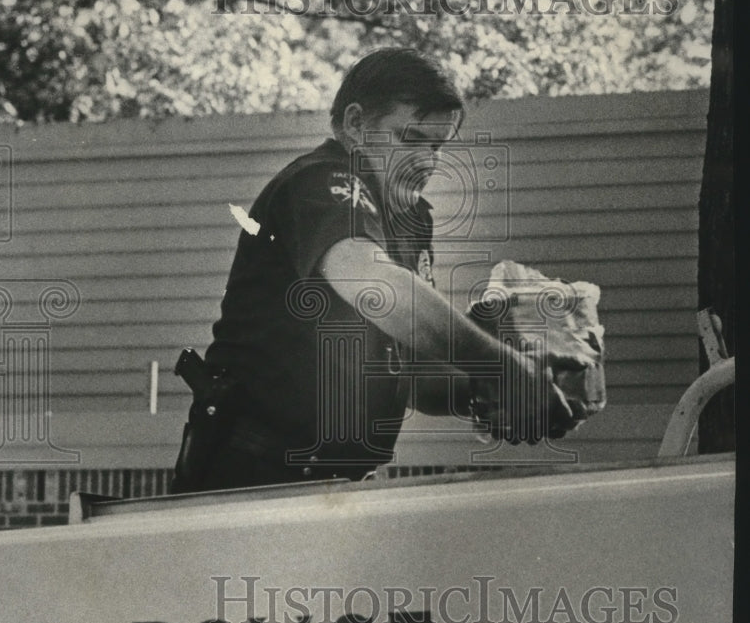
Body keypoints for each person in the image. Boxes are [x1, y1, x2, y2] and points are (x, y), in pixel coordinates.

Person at [170, 48, 578, 493]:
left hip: (338, 485)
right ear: (356, 124)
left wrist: (489, 394)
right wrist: (506, 369)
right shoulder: (321, 182)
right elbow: (376, 288)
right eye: (410, 138)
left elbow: (417, 378)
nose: (428, 161)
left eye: (437, 146)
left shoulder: (409, 219)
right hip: (253, 476)